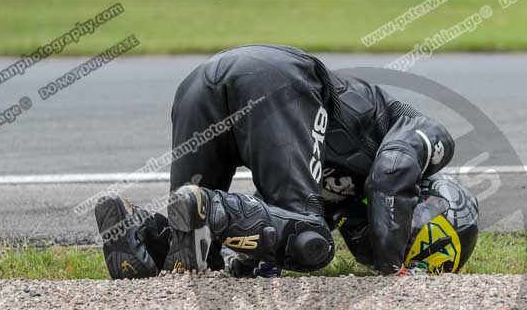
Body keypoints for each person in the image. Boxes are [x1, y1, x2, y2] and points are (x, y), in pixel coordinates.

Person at [95, 44, 477, 279]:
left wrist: (250, 261)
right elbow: (391, 175)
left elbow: (267, 236)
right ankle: (210, 206)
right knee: (311, 241)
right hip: (277, 79)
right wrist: (393, 266)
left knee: (200, 249)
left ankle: (139, 236)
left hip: (201, 87)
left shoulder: (341, 196)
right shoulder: (428, 134)